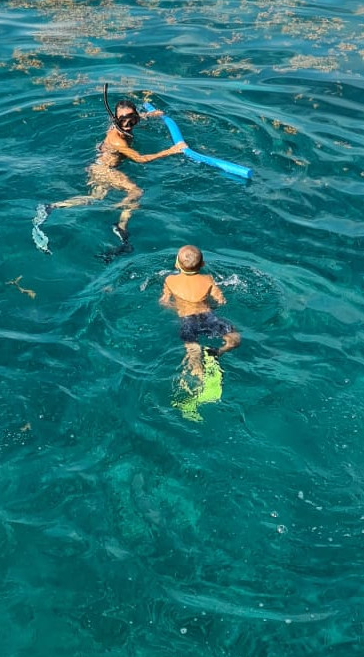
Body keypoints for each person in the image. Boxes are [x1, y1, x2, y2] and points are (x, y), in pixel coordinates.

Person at [35, 95, 184, 248]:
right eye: (123, 121)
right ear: (115, 120)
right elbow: (140, 159)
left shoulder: (122, 124)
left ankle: (52, 206)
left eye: (132, 120)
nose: (127, 125)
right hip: (104, 169)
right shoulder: (117, 140)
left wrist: (149, 115)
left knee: (95, 197)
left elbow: (130, 118)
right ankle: (121, 224)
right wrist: (170, 151)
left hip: (98, 167)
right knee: (136, 192)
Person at [162, 244, 239, 420]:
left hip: (187, 320)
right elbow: (222, 301)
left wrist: (178, 307)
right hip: (208, 317)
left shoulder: (169, 280)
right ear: (203, 264)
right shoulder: (208, 279)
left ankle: (196, 385)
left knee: (193, 352)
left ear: (176, 264)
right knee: (234, 338)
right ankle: (218, 352)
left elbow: (164, 302)